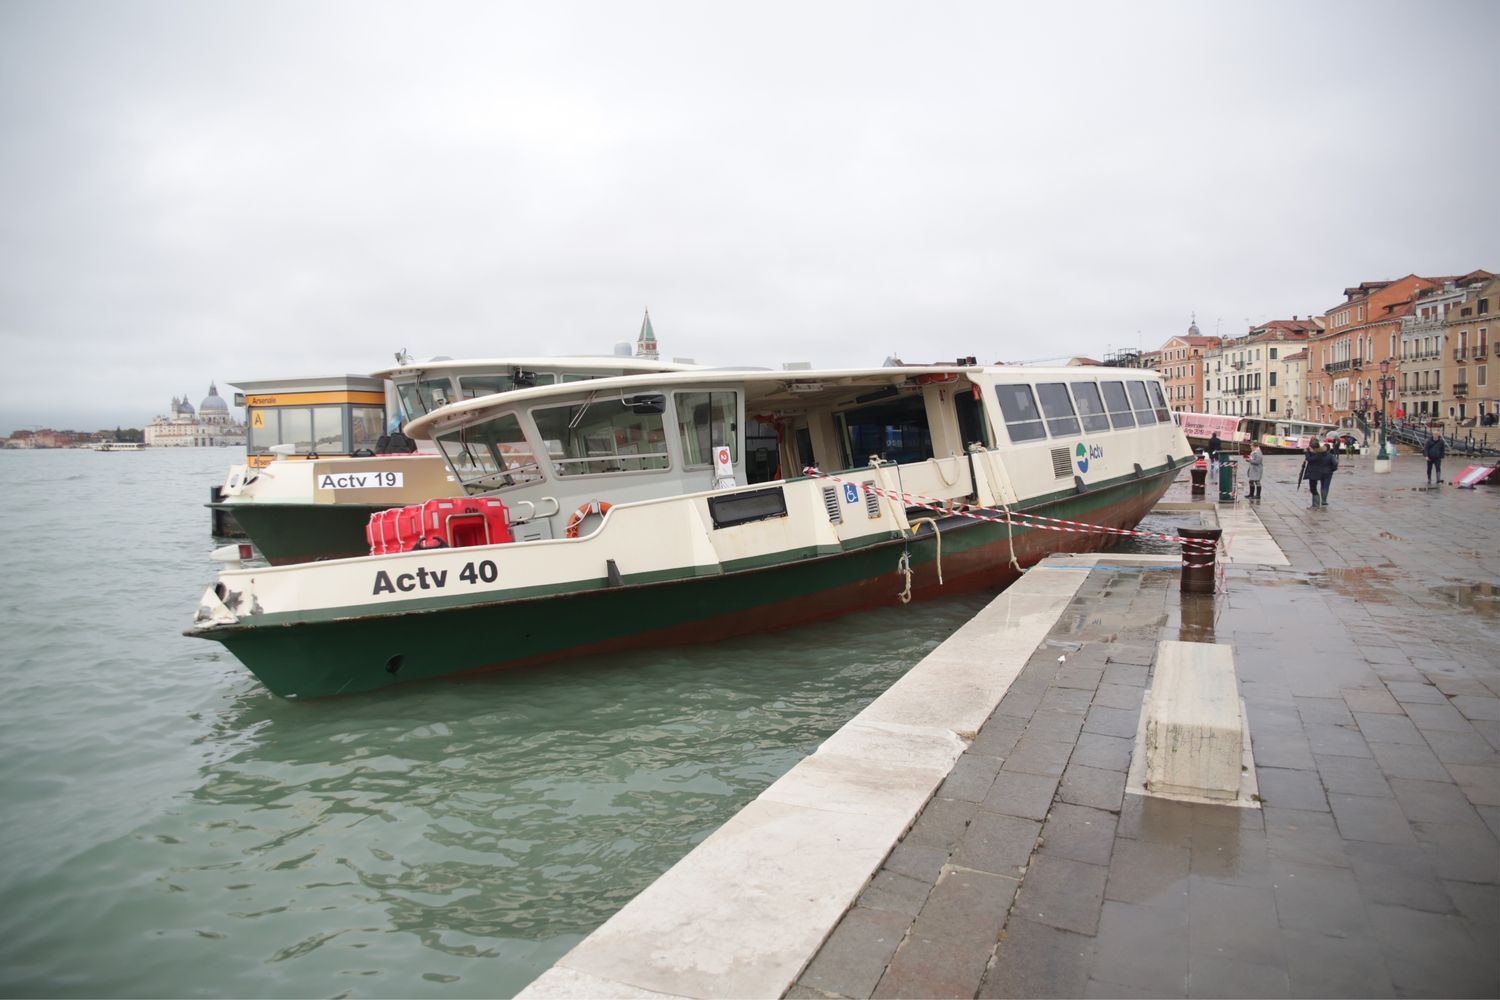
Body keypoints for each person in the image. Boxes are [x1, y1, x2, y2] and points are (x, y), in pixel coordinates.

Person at [1304, 437, 1336, 507]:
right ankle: (1317, 503)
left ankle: (1316, 504)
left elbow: (1310, 459)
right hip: (1317, 472)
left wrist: (1307, 453)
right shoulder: (1320, 453)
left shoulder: (1318, 454)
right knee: (1316, 488)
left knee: (1314, 489)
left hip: (1315, 473)